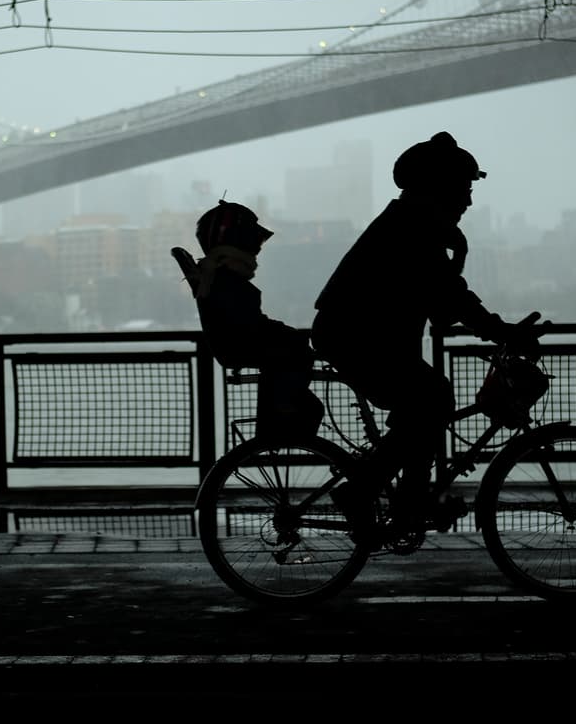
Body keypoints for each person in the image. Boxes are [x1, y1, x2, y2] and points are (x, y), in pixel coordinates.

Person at [311, 131, 539, 537]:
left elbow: (441, 302)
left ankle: (410, 502)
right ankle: (367, 492)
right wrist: (501, 331)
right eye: (464, 190)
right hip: (354, 338)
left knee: (428, 399)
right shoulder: (412, 228)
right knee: (431, 395)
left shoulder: (411, 222)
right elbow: (449, 296)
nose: (468, 201)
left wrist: (488, 318)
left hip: (363, 337)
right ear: (441, 188)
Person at [187, 200, 323, 441]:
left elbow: (247, 321)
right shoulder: (225, 278)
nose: (257, 249)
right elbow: (248, 326)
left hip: (234, 346)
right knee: (299, 359)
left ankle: (281, 420)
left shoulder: (215, 274)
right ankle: (283, 414)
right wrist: (293, 336)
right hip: (240, 346)